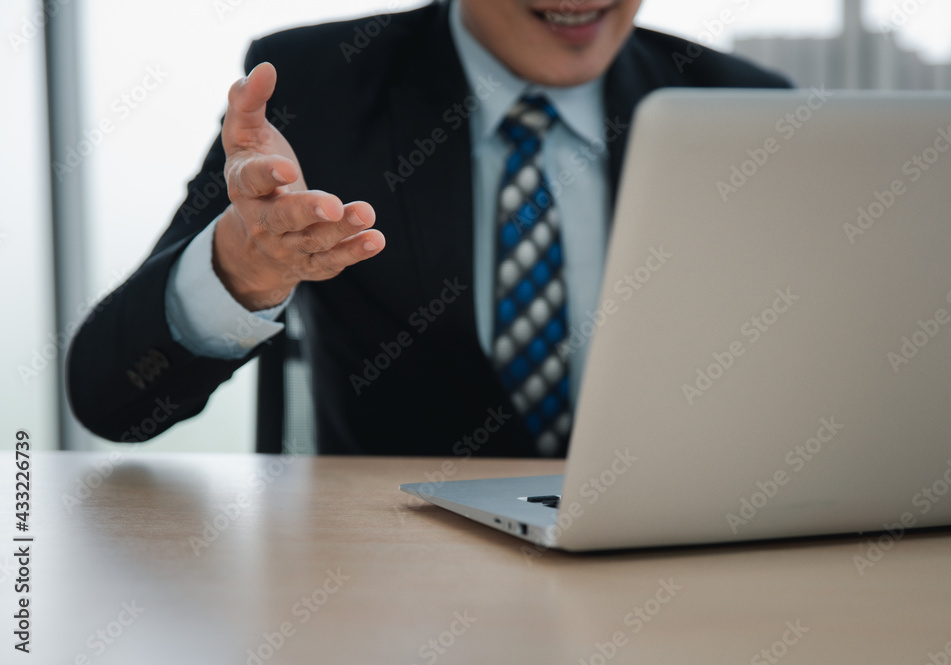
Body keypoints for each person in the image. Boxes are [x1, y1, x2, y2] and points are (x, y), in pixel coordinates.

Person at [67, 0, 790, 456]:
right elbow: (111, 399)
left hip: (674, 578)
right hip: (396, 590)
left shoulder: (746, 106)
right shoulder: (318, 86)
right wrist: (241, 271)